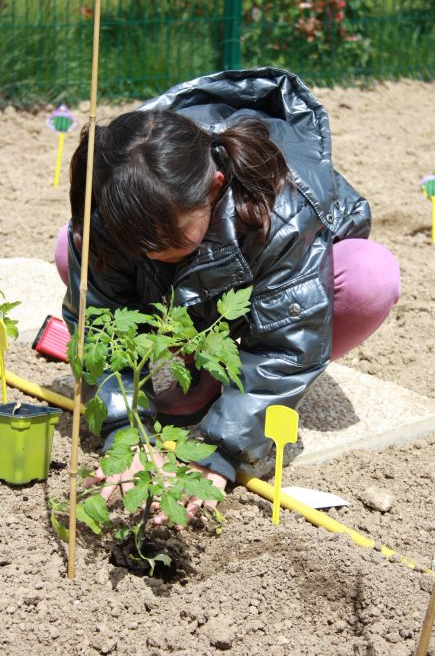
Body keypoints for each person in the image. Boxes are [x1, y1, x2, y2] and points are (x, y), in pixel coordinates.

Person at [57, 67, 400, 522]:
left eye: (167, 240)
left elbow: (287, 345)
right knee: (73, 247)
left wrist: (220, 453)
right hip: (200, 290)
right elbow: (99, 322)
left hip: (296, 289)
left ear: (214, 188)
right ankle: (203, 367)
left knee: (369, 278)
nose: (151, 253)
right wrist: (124, 428)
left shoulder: (281, 208)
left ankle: (227, 378)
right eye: (140, 243)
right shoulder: (118, 184)